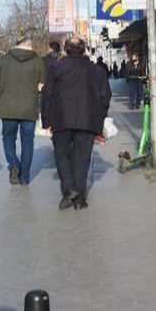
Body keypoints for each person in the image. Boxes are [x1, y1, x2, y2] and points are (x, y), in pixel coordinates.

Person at [41, 36, 111, 210]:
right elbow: (105, 97)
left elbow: (47, 95)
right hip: (87, 120)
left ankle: (69, 191)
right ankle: (79, 197)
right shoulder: (96, 71)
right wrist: (100, 118)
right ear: (84, 49)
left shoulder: (55, 68)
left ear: (65, 49)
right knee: (82, 158)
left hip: (61, 119)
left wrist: (46, 121)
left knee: (62, 155)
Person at [0, 35, 46, 186]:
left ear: (16, 45)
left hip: (7, 108)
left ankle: (13, 164)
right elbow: (43, 86)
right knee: (27, 142)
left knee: (8, 139)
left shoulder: (3, 60)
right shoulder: (38, 61)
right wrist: (38, 103)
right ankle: (25, 176)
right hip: (30, 108)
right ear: (29, 45)